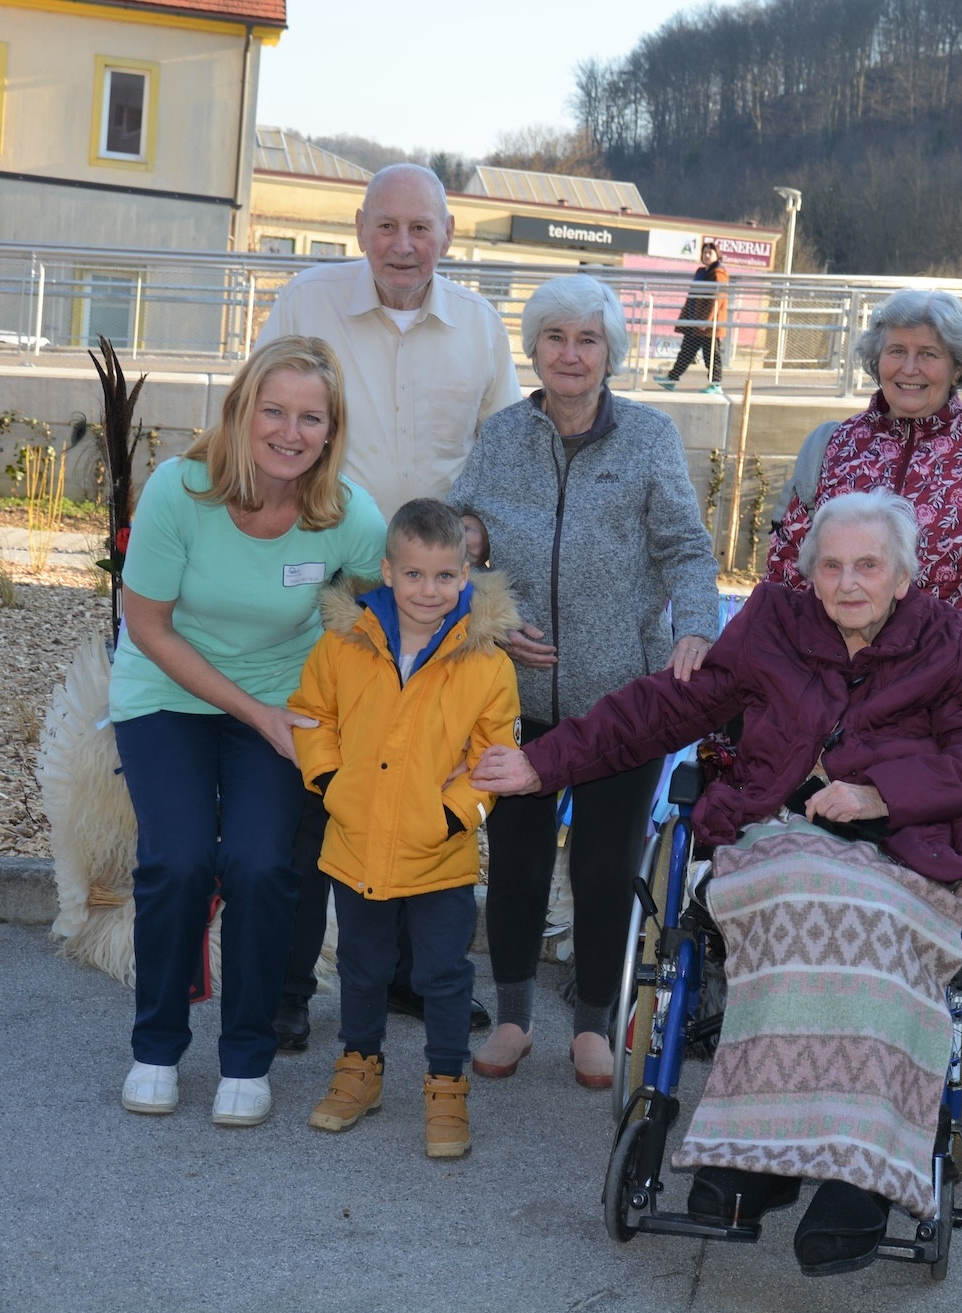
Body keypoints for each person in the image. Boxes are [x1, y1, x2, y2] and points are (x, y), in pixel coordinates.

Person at [472, 490, 962, 1276]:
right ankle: (759, 1157)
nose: (849, 581)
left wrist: (881, 792)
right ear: (809, 574)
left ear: (903, 577)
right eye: (831, 565)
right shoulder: (771, 624)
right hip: (780, 838)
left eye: (869, 565)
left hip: (904, 855)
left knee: (873, 930)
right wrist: (543, 761)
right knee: (798, 906)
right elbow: (664, 708)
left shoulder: (947, 640)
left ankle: (858, 1176)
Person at [258, 162, 522, 1050]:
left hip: (438, 588)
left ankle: (414, 979)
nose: (403, 245)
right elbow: (263, 420)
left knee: (426, 778)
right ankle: (292, 991)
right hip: (336, 585)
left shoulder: (482, 327)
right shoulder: (306, 302)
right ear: (359, 228)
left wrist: (477, 543)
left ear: (449, 235)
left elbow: (503, 453)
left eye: (422, 228)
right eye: (387, 227)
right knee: (317, 793)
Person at [452, 273, 721, 1088]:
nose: (570, 354)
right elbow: (459, 536)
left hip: (619, 703)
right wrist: (487, 617)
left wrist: (696, 631)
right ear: (533, 348)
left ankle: (595, 1024)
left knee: (607, 865)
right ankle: (511, 1018)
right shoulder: (501, 435)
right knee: (519, 859)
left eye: (588, 339)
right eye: (555, 338)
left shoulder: (647, 436)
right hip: (518, 699)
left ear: (611, 352)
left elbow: (687, 548)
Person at [112, 335, 387, 1128]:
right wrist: (258, 713)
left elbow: (404, 600)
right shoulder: (181, 491)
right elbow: (150, 627)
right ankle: (157, 1047)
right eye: (274, 410)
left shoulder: (344, 512)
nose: (290, 432)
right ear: (241, 411)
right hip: (169, 689)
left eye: (311, 417)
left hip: (280, 702)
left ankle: (245, 1057)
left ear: (331, 431)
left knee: (265, 863)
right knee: (179, 856)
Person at [287, 499, 520, 1159]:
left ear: (466, 574)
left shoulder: (487, 664)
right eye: (414, 574)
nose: (429, 590)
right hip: (356, 841)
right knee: (363, 966)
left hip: (439, 854)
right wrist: (331, 784)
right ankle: (358, 1069)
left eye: (445, 576)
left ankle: (446, 1085)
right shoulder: (343, 645)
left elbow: (493, 757)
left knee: (444, 973)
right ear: (387, 571)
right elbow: (312, 716)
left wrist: (454, 814)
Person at [765, 287, 962, 680]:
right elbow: (786, 571)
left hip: (934, 702)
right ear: (877, 359)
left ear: (957, 368)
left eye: (929, 354)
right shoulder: (833, 446)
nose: (909, 368)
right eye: (897, 350)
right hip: (823, 689)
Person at [659, 240, 728, 394]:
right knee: (686, 351)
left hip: (708, 325)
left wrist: (705, 321)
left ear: (717, 256)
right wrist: (688, 318)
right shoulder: (701, 272)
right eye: (705, 252)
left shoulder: (718, 274)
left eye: (710, 253)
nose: (707, 255)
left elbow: (717, 299)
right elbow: (692, 296)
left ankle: (716, 384)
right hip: (694, 321)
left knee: (711, 355)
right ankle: (672, 379)